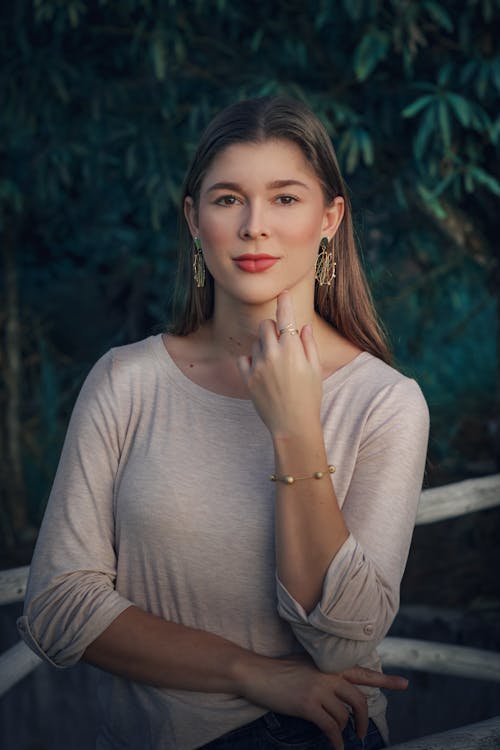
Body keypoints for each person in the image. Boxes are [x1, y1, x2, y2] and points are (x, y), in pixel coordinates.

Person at [19, 96, 429, 750]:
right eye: (229, 198)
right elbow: (58, 607)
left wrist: (295, 427)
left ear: (330, 218)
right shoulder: (126, 381)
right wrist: (254, 674)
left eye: (286, 199)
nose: (254, 226)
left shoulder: (385, 402)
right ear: (193, 218)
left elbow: (344, 638)